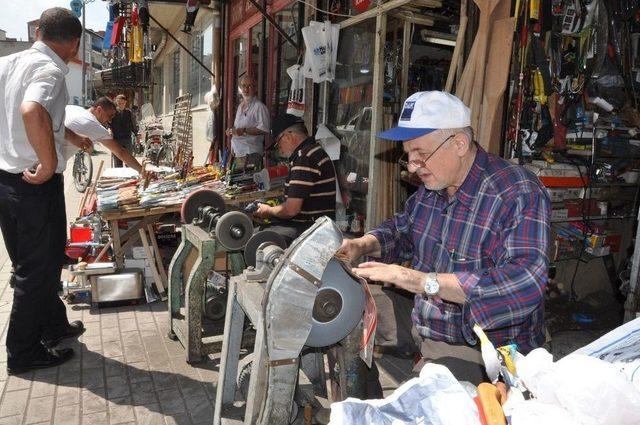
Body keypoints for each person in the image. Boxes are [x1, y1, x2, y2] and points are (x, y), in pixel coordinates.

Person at [338, 91, 551, 385]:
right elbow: (401, 230)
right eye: (408, 154)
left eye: (421, 154)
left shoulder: (516, 192)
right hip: (426, 319)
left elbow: (525, 282)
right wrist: (363, 244)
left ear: (459, 144)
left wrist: (421, 280)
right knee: (347, 301)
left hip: (481, 346)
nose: (412, 166)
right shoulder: (432, 188)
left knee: (424, 404)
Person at [0, 7, 87, 374]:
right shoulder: (50, 71)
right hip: (34, 184)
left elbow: (43, 119)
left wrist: (71, 137)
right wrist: (49, 162)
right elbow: (32, 110)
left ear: (38, 32)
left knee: (37, 263)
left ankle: (53, 327)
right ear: (73, 42)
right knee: (36, 271)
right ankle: (22, 352)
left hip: (7, 180)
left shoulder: (8, 63)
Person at [253, 114, 337, 242]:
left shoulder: (305, 158)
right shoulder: (311, 152)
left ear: (288, 136)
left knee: (255, 238)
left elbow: (291, 210)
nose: (279, 149)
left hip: (313, 230)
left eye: (278, 144)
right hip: (313, 225)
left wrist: (268, 210)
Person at [64, 97, 144, 173]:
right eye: (109, 116)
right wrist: (142, 170)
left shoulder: (74, 108)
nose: (109, 120)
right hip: (55, 168)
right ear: (99, 110)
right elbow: (120, 152)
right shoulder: (93, 126)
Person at [225, 75, 270, 159]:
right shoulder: (240, 106)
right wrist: (231, 131)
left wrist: (244, 131)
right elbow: (238, 128)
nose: (246, 89)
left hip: (251, 153)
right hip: (237, 151)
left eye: (249, 86)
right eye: (244, 86)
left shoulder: (260, 107)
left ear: (255, 89)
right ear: (240, 88)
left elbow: (264, 129)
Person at [110, 94, 138, 167]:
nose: (121, 105)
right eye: (119, 103)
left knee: (129, 161)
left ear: (125, 103)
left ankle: (128, 177)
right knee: (118, 161)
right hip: (116, 139)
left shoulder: (129, 113)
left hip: (127, 139)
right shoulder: (113, 112)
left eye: (122, 103)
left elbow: (133, 124)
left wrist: (137, 134)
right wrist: (109, 129)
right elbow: (108, 123)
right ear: (116, 102)